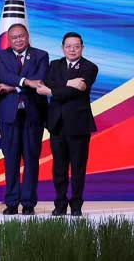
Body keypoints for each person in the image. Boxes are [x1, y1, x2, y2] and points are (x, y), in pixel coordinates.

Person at [37, 32, 97, 216]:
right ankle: (60, 204)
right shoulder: (54, 65)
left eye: (76, 46)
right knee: (59, 168)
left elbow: (75, 92)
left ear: (82, 47)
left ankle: (76, 205)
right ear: (63, 47)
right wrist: (68, 82)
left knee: (78, 168)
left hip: (79, 125)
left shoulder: (90, 67)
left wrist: (51, 90)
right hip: (57, 124)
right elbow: (45, 85)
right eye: (68, 46)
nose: (72, 49)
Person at [0, 23, 48, 215]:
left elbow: (39, 79)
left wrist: (13, 86)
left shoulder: (41, 55)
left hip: (33, 114)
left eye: (21, 36)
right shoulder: (1, 56)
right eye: (14, 37)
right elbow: (3, 75)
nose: (18, 39)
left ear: (27, 37)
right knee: (11, 160)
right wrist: (25, 82)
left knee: (31, 160)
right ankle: (11, 202)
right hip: (9, 115)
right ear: (9, 40)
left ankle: (28, 203)